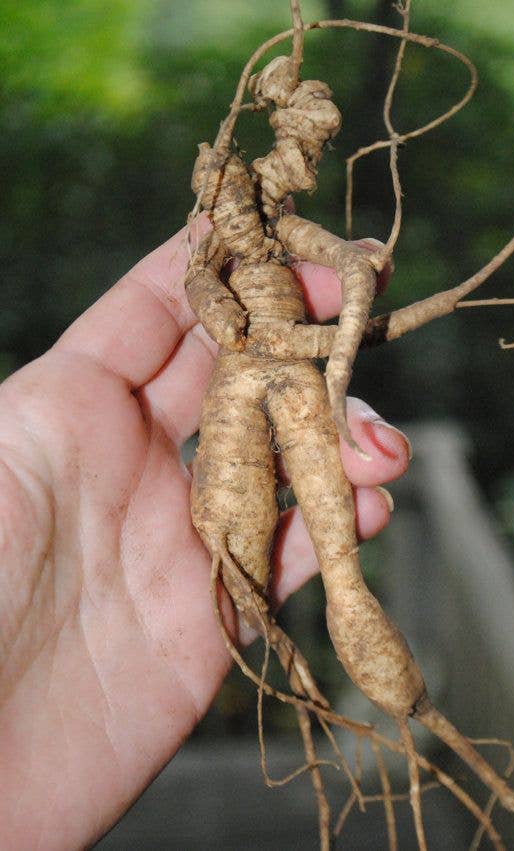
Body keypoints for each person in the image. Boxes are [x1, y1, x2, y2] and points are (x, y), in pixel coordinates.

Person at [0, 218, 410, 849]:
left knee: (342, 572)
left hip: (263, 360)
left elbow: (351, 273)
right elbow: (213, 287)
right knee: (330, 563)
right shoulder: (218, 246)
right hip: (251, 364)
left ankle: (383, 710)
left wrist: (343, 322)